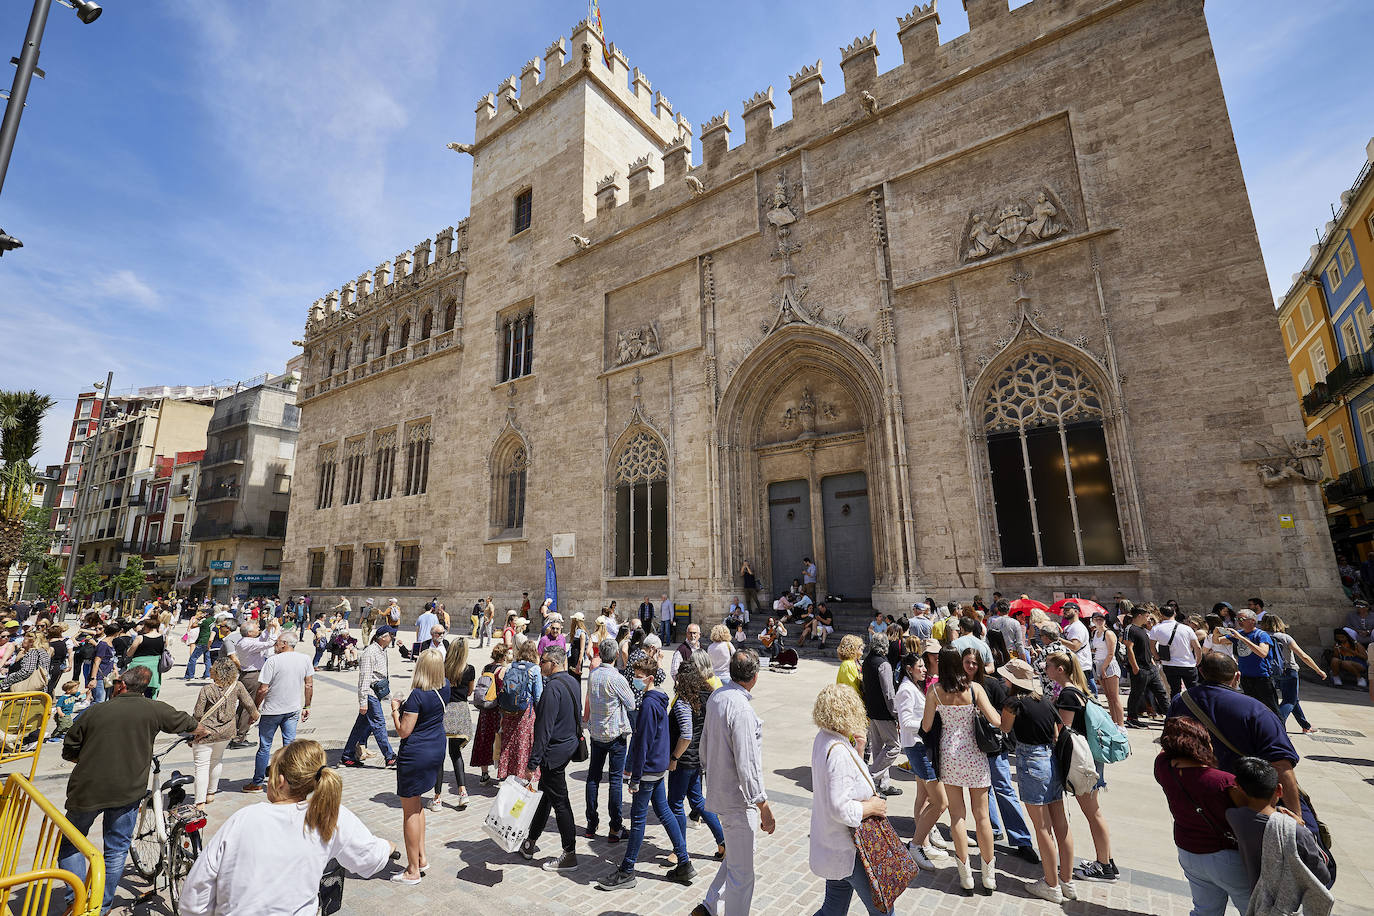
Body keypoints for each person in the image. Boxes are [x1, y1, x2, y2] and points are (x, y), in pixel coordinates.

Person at [180, 739, 393, 915]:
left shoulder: (244, 819)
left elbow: (197, 892)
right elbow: (369, 859)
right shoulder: (328, 816)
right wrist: (388, 846)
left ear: (280, 780)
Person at [57, 666, 205, 914]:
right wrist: (199, 734)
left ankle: (76, 901)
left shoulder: (95, 711)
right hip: (128, 792)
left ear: (122, 686)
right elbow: (193, 725)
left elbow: (69, 749)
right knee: (115, 851)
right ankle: (100, 907)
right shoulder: (154, 709)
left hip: (87, 790)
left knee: (72, 844)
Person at [1167, 653, 1321, 840]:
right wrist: (1297, 815)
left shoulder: (1181, 701)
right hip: (1256, 802)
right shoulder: (1256, 710)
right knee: (1315, 849)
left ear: (1201, 672)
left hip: (1205, 804)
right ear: (1237, 676)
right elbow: (1282, 766)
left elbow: (1171, 748)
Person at [595, 651, 693, 889]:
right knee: (665, 812)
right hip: (658, 766)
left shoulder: (649, 704)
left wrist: (634, 777)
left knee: (638, 820)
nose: (635, 680)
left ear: (650, 678)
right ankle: (684, 861)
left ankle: (627, 870)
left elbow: (644, 741)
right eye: (634, 675)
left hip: (648, 769)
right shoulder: (659, 697)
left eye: (639, 676)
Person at [694, 649, 775, 916]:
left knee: (739, 857)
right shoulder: (741, 709)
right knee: (743, 874)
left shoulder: (718, 696)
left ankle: (709, 906)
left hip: (720, 789)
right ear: (754, 677)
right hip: (738, 799)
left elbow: (704, 746)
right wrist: (762, 804)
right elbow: (747, 762)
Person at [808, 684, 894, 916]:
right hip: (850, 848)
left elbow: (844, 782)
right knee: (883, 910)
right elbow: (840, 807)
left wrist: (858, 749)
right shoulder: (837, 751)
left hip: (834, 843)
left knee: (833, 908)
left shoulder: (824, 739)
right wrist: (871, 806)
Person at [920, 647, 1001, 895]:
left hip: (950, 755)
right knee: (982, 815)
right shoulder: (975, 689)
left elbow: (926, 725)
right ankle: (988, 874)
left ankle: (965, 875)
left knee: (957, 816)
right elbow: (997, 721)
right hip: (974, 753)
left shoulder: (934, 691)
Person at [1153, 716, 1250, 916]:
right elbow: (1250, 815)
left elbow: (1165, 751)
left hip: (1188, 851)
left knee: (1205, 910)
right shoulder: (1225, 781)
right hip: (1226, 856)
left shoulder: (1162, 767)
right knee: (1254, 910)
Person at [998, 657, 1075, 902]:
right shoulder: (1044, 701)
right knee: (1060, 824)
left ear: (1012, 680)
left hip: (1031, 761)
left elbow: (1004, 727)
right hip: (1050, 759)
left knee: (1042, 827)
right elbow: (1056, 732)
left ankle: (1051, 884)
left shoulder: (1013, 703)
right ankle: (1066, 881)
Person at [1225, 756, 1333, 912]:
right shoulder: (1297, 831)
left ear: (1240, 788)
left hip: (1258, 901)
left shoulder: (1235, 817)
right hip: (1290, 908)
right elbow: (1323, 875)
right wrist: (1299, 825)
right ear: (1280, 790)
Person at [1045, 651, 1117, 881]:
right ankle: (1106, 859)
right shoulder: (1079, 690)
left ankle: (1104, 865)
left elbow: (1063, 731)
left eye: (1049, 666)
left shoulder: (1067, 694)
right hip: (1091, 759)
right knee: (1094, 811)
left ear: (1060, 670)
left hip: (1082, 761)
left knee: (1092, 812)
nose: (1045, 669)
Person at [519, 645, 583, 873]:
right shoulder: (573, 682)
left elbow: (543, 730)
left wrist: (531, 764)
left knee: (560, 802)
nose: (540, 664)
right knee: (546, 795)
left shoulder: (551, 689)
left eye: (543, 661)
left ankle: (570, 853)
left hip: (554, 755)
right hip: (567, 748)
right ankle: (530, 842)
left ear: (553, 664)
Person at [388, 648, 449, 885]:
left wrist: (395, 707)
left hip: (416, 754)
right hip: (435, 749)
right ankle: (421, 857)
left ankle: (413, 870)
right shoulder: (445, 687)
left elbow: (404, 731)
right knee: (418, 804)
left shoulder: (417, 696)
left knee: (410, 811)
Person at [667, 656, 726, 857]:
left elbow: (685, 734)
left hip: (683, 760)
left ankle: (679, 849)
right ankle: (723, 841)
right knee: (698, 800)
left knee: (675, 803)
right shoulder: (707, 696)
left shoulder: (684, 701)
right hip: (698, 757)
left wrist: (674, 758)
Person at [895, 652, 948, 871]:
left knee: (923, 797)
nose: (925, 669)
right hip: (917, 746)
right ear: (909, 668)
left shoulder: (914, 686)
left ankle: (923, 843)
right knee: (940, 802)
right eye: (920, 666)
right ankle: (915, 845)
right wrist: (930, 721)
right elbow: (905, 721)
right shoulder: (906, 690)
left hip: (920, 745)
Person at [245, 631, 314, 792]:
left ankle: (257, 782)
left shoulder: (272, 661)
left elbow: (262, 689)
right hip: (292, 709)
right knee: (289, 746)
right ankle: (288, 781)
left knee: (264, 747)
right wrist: (307, 706)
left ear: (284, 644)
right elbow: (309, 684)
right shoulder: (304, 659)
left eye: (277, 643)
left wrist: (254, 708)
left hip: (272, 711)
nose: (275, 646)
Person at [585, 637, 635, 841]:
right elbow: (631, 703)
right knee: (615, 780)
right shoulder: (617, 678)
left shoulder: (594, 674)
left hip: (596, 733)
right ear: (616, 656)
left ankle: (591, 823)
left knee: (593, 777)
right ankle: (615, 827)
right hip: (614, 735)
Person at [191, 658, 259, 806]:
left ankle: (200, 801)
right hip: (226, 732)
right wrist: (254, 717)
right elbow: (250, 705)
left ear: (215, 672)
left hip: (206, 732)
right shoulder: (237, 686)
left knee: (202, 765)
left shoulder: (207, 689)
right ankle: (211, 793)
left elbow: (197, 714)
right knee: (216, 760)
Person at [342, 626, 397, 768]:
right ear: (383, 637)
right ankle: (390, 757)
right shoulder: (370, 652)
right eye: (391, 635)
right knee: (379, 725)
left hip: (376, 694)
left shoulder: (382, 651)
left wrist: (389, 696)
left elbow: (380, 676)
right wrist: (363, 701)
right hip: (370, 695)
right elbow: (365, 678)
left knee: (360, 726)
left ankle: (347, 755)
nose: (393, 637)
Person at [1260, 615, 1325, 733]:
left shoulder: (1261, 636)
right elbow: (1303, 656)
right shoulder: (1285, 637)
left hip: (1271, 672)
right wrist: (1318, 670)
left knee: (1293, 698)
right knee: (1289, 700)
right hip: (1289, 670)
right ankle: (1276, 724)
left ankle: (1306, 726)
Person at [859, 634, 903, 797]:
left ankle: (883, 784)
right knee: (893, 747)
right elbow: (889, 692)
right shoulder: (883, 664)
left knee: (878, 749)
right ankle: (870, 778)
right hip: (884, 712)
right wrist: (896, 713)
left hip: (872, 709)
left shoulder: (868, 660)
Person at [437, 638, 476, 810]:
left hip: (444, 710)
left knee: (439, 757)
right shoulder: (469, 670)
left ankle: (437, 798)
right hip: (460, 710)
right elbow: (469, 691)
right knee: (456, 754)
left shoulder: (442, 668)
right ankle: (462, 792)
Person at [1218, 608, 1280, 712]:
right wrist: (1216, 633)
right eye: (1237, 619)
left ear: (1253, 620)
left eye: (1242, 619)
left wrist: (1242, 638)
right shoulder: (1238, 633)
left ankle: (1278, 727)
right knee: (1251, 708)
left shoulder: (1261, 635)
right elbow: (1218, 641)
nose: (1239, 621)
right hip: (1245, 677)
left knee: (1271, 709)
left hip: (1261, 678)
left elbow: (1263, 653)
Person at [497, 640, 543, 781]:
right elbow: (538, 695)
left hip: (509, 710)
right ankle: (522, 774)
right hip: (525, 711)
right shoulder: (534, 669)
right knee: (523, 743)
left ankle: (505, 772)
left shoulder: (511, 666)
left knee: (508, 742)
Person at [227, 620, 275, 749]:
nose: (258, 629)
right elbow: (270, 643)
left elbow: (261, 639)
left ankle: (235, 734)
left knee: (243, 706)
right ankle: (240, 737)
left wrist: (268, 628)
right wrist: (275, 630)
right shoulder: (248, 643)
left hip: (247, 674)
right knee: (249, 706)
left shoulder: (245, 641)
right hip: (252, 676)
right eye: (256, 628)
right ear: (249, 633)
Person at [1124, 606, 1168, 729]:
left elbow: (1146, 648)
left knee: (1161, 693)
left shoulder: (1142, 629)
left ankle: (1170, 717)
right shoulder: (1130, 629)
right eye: (1146, 616)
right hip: (1140, 669)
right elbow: (1129, 648)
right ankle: (1132, 718)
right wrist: (1135, 667)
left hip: (1150, 668)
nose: (1148, 619)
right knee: (1136, 694)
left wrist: (1153, 663)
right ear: (1139, 616)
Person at [471, 644, 509, 784]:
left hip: (485, 710)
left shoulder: (486, 668)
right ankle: (501, 773)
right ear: (504, 656)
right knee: (499, 740)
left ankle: (484, 774)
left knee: (484, 740)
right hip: (498, 711)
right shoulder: (503, 670)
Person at [1152, 601, 1202, 697]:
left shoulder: (1156, 629)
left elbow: (1151, 646)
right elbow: (1197, 647)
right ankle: (1196, 710)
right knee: (1193, 691)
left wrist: (1158, 657)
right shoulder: (1186, 628)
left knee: (1175, 691)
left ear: (1161, 615)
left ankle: (1177, 710)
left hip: (1169, 664)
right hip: (1188, 664)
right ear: (1174, 613)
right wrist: (1197, 661)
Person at [124, 619, 166, 698]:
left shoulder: (140, 638)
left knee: (134, 689)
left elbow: (129, 653)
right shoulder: (163, 638)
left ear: (147, 627)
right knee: (149, 691)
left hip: (138, 667)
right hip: (154, 668)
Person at [184, 609, 216, 680]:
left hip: (202, 641)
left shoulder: (205, 621)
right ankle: (207, 675)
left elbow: (193, 625)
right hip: (210, 641)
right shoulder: (214, 620)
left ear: (208, 614)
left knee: (193, 658)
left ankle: (190, 675)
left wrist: (199, 618)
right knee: (207, 659)